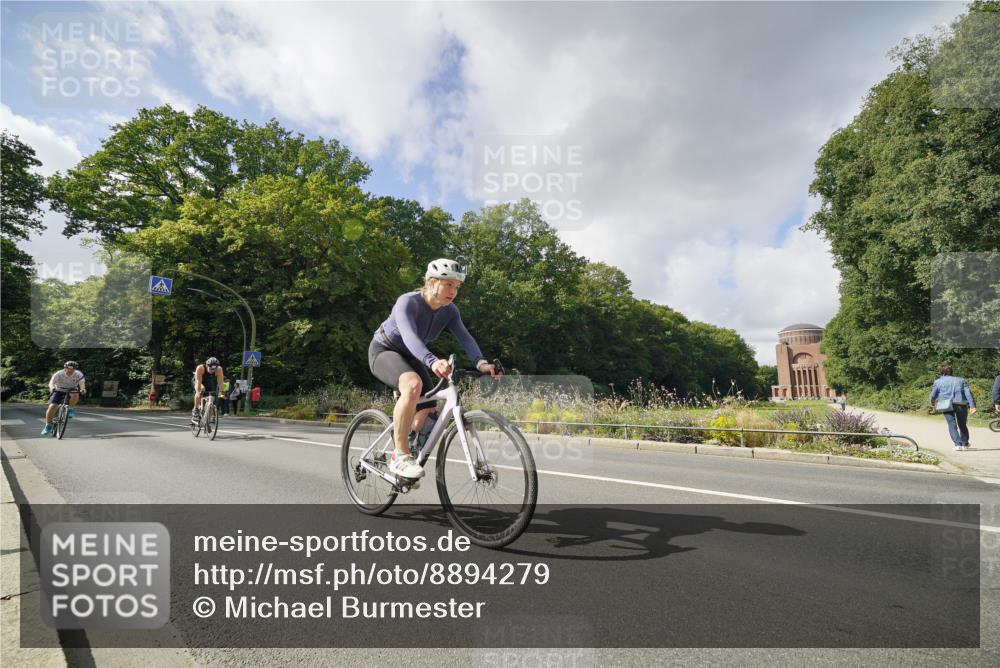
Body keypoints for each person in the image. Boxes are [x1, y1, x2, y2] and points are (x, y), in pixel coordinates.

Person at [369, 258, 501, 481]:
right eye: (448, 284)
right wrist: (432, 361)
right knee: (413, 385)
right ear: (431, 283)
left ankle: (408, 443)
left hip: (413, 356)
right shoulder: (407, 302)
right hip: (384, 351)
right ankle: (399, 455)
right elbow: (409, 337)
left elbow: (465, 338)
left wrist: (482, 363)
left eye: (457, 287)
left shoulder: (449, 311)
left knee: (427, 411)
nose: (453, 291)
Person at [930, 363, 977, 451]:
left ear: (941, 372)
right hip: (961, 404)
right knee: (962, 424)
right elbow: (968, 393)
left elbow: (933, 395)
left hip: (945, 405)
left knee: (952, 424)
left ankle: (957, 444)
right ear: (951, 371)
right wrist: (972, 406)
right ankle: (965, 443)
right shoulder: (961, 380)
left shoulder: (938, 381)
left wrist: (932, 402)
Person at [41, 361, 87, 435]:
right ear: (64, 368)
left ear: (75, 369)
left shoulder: (78, 374)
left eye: (73, 369)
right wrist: (52, 388)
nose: (70, 371)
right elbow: (51, 383)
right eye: (68, 369)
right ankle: (48, 425)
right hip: (59, 389)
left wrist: (82, 389)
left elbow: (82, 384)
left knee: (75, 394)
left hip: (71, 389)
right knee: (52, 406)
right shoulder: (59, 374)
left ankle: (70, 409)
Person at [192, 357, 225, 423]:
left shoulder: (219, 369)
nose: (212, 370)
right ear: (207, 365)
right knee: (201, 389)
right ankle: (196, 409)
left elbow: (220, 382)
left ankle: (208, 417)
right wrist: (198, 392)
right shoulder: (200, 368)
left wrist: (222, 393)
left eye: (214, 369)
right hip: (199, 380)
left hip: (209, 381)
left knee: (211, 397)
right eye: (210, 368)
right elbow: (198, 382)